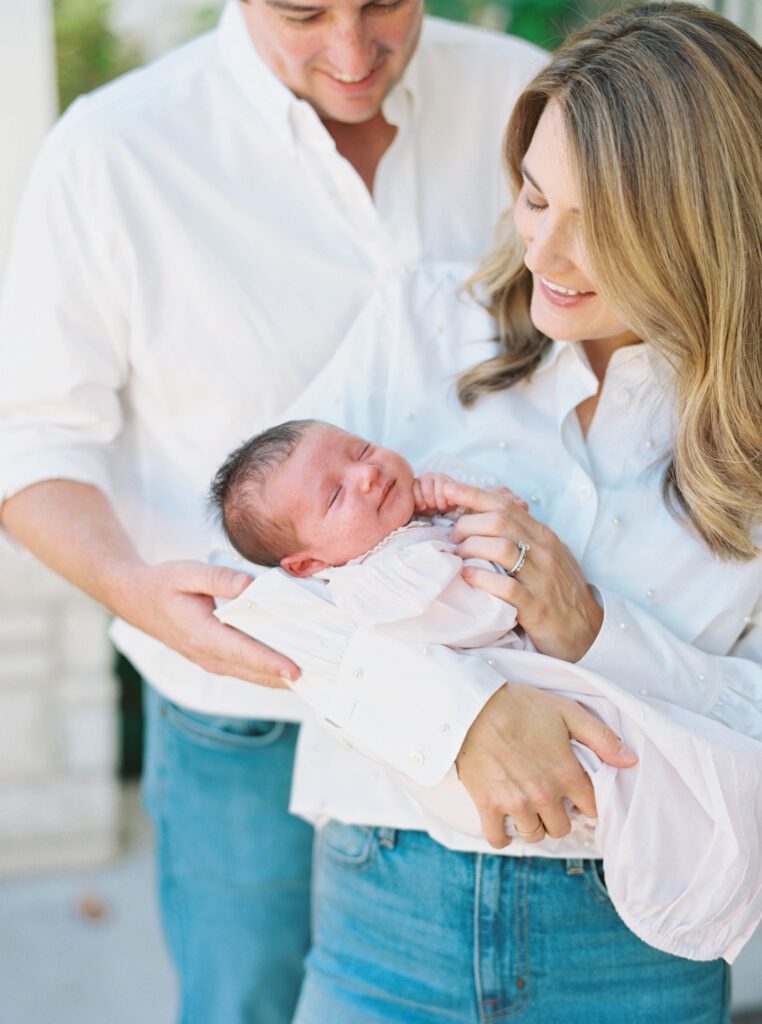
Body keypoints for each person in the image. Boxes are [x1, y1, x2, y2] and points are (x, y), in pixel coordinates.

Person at [0, 0, 548, 1020]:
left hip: (492, 693)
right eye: (303, 12)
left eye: (384, 2)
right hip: (250, 720)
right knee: (246, 1003)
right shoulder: (111, 154)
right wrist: (133, 589)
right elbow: (33, 443)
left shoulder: (525, 95)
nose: (352, 51)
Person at [232, 3, 758, 1021]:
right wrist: (455, 716)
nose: (545, 254)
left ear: (704, 228)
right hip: (384, 911)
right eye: (532, 195)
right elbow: (259, 592)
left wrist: (600, 632)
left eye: (599, 224)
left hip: (635, 949)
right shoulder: (420, 327)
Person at [208, 417, 762, 964]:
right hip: (457, 802)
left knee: (663, 754)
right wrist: (465, 526)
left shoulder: (405, 528)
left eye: (362, 450)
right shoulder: (372, 582)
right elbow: (482, 609)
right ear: (308, 564)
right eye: (335, 496)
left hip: (537, 736)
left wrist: (459, 502)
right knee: (639, 765)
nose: (367, 476)